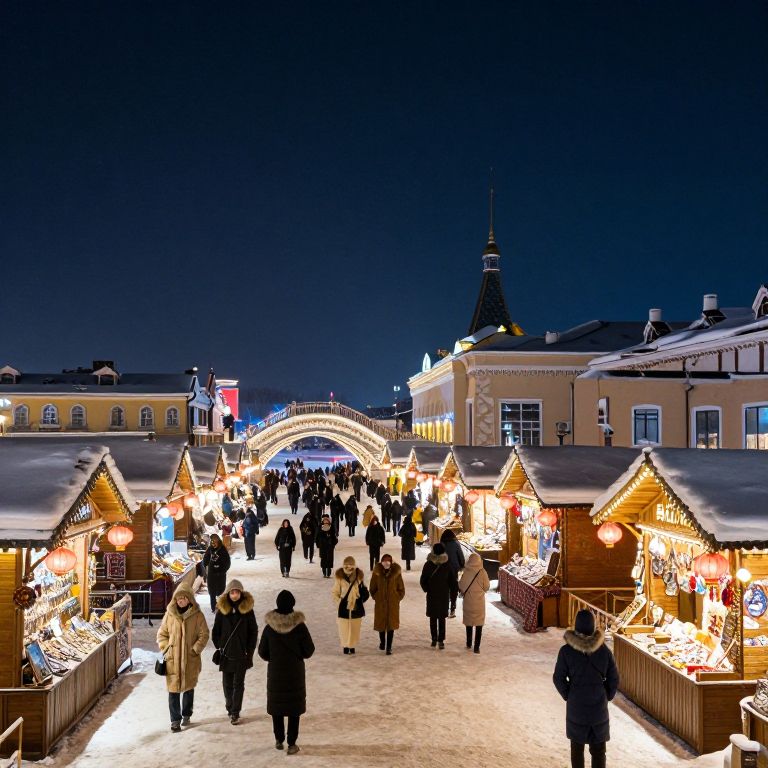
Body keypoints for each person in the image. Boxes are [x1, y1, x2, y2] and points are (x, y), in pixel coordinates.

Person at [553, 610, 619, 768]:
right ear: (593, 626)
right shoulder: (604, 651)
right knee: (599, 751)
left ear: (576, 626)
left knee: (577, 750)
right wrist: (607, 695)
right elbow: (614, 677)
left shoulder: (566, 651)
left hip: (576, 707)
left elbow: (558, 678)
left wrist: (569, 694)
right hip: (598, 708)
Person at [258, 590, 315, 755]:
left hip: (276, 674)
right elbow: (309, 650)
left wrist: (274, 658)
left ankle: (278, 739)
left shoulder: (269, 628)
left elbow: (262, 652)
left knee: (277, 707)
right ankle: (292, 743)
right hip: (294, 674)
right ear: (292, 604)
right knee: (294, 709)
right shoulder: (300, 627)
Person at [156, 584, 209, 732]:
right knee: (173, 690)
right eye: (178, 598)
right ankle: (175, 720)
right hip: (173, 659)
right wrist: (166, 648)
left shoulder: (198, 616)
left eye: (183, 598)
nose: (180, 601)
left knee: (188, 688)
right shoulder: (170, 615)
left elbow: (204, 634)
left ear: (189, 599)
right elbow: (162, 634)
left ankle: (186, 713)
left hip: (190, 659)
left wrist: (195, 649)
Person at [212, 579, 258, 724]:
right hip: (226, 653)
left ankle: (235, 712)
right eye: (232, 592)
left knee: (238, 684)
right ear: (228, 593)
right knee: (227, 684)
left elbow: (253, 631)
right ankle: (229, 706)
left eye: (237, 592)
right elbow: (216, 630)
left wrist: (249, 650)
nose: (234, 595)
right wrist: (219, 644)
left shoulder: (247, 610)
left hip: (241, 654)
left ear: (241, 593)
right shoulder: (222, 610)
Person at [419, 542, 457, 650]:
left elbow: (423, 580)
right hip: (444, 595)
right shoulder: (447, 565)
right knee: (441, 618)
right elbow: (453, 583)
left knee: (433, 617)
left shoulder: (428, 564)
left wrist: (427, 589)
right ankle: (441, 640)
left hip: (432, 594)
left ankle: (434, 638)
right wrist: (453, 597)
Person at [332, 556, 369, 654]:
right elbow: (335, 592)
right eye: (346, 565)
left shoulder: (359, 576)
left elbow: (364, 591)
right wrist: (339, 602)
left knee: (355, 628)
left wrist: (360, 599)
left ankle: (352, 646)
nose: (348, 567)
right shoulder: (340, 577)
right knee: (343, 628)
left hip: (356, 606)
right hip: (343, 607)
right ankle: (345, 645)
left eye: (351, 565)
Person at [369, 553, 405, 655]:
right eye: (384, 560)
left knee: (391, 626)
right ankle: (382, 642)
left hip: (392, 604)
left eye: (388, 560)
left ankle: (389, 647)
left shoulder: (396, 573)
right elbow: (372, 587)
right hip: (380, 603)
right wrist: (377, 597)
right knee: (381, 624)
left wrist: (397, 597)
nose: (386, 562)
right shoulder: (377, 573)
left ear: (391, 562)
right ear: (381, 561)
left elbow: (401, 588)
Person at [458, 553, 490, 653]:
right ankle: (476, 647)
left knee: (469, 622)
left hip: (468, 601)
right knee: (479, 624)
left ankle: (468, 643)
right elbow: (487, 587)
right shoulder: (482, 571)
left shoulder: (466, 571)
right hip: (479, 602)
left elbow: (461, 586)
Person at [440, 528, 465, 618]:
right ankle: (453, 608)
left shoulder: (441, 544)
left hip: (443, 569)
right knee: (454, 588)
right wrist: (462, 565)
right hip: (454, 569)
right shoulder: (456, 543)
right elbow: (461, 556)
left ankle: (445, 607)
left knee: (445, 588)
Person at [203, 533, 231, 612]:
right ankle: (213, 606)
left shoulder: (223, 550)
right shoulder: (209, 549)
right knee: (212, 591)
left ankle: (220, 604)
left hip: (220, 574)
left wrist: (223, 570)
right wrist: (205, 566)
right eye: (212, 542)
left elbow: (227, 562)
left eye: (215, 542)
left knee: (220, 590)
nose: (213, 544)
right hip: (211, 574)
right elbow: (205, 560)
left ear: (218, 541)